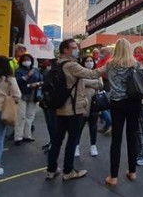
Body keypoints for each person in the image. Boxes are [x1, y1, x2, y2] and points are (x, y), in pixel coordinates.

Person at [46, 39, 102, 181]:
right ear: (66, 49)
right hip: (73, 109)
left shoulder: (57, 63)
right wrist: (109, 66)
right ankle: (68, 171)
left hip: (59, 108)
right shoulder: (71, 65)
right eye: (74, 47)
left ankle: (51, 170)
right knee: (72, 140)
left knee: (57, 140)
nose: (77, 49)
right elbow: (92, 74)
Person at [96, 38, 141, 187]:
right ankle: (132, 172)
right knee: (132, 136)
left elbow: (94, 73)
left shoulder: (110, 64)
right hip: (134, 103)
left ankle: (113, 176)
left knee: (116, 139)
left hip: (117, 103)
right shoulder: (136, 64)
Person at [74, 55, 104, 157]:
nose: (90, 62)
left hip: (95, 104)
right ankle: (76, 146)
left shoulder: (97, 72)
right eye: (87, 61)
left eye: (91, 61)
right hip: (83, 103)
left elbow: (100, 85)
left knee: (93, 126)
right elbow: (80, 83)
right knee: (79, 127)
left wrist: (87, 82)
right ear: (83, 62)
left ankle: (93, 146)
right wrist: (93, 82)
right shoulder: (80, 73)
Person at [14, 54, 43, 145]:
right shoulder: (18, 71)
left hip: (33, 95)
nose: (27, 61)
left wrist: (37, 84)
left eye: (28, 59)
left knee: (30, 116)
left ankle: (27, 135)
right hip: (22, 95)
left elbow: (41, 80)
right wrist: (28, 78)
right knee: (21, 116)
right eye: (25, 59)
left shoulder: (36, 70)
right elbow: (17, 83)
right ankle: (18, 137)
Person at [95, 46, 113, 135]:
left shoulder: (109, 61)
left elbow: (106, 74)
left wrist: (100, 73)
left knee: (104, 106)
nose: (101, 54)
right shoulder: (101, 61)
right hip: (102, 85)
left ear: (108, 53)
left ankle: (110, 124)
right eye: (101, 52)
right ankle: (107, 126)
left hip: (107, 85)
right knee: (105, 106)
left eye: (103, 52)